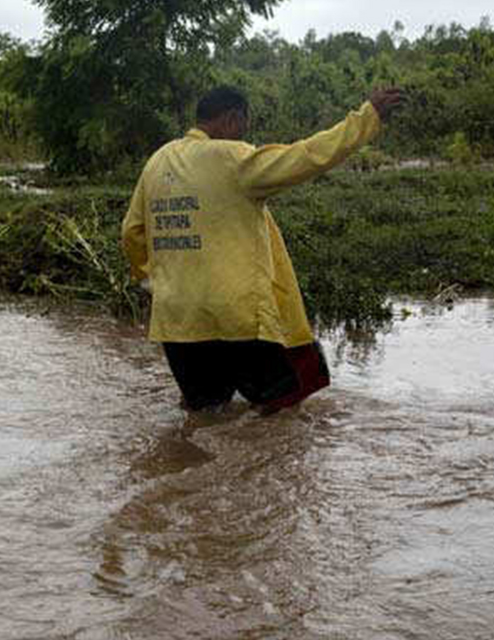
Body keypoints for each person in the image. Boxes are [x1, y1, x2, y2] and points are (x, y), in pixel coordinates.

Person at [121, 84, 405, 414]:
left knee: (205, 416)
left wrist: (153, 282)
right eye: (244, 126)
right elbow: (306, 156)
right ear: (231, 119)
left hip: (176, 321)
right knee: (282, 413)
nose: (245, 135)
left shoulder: (158, 161)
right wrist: (366, 118)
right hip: (236, 319)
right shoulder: (232, 157)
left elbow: (132, 233)